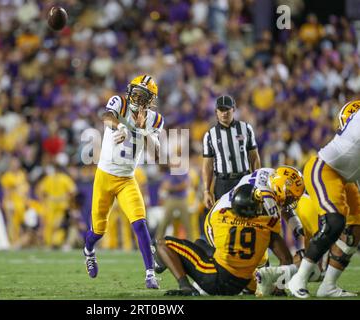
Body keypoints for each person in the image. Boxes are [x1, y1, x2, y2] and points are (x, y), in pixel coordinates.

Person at [83, 74, 163, 289]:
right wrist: (121, 128)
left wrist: (144, 132)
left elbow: (156, 155)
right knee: (98, 231)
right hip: (105, 176)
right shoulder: (120, 102)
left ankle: (149, 274)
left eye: (142, 95)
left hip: (127, 179)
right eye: (135, 91)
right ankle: (88, 250)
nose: (136, 97)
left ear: (150, 100)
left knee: (139, 222)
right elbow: (107, 116)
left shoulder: (154, 119)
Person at [154, 184, 295, 296]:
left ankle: (185, 286)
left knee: (163, 243)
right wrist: (280, 288)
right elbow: (287, 259)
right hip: (242, 282)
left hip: (215, 278)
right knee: (200, 244)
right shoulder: (268, 225)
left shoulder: (221, 216)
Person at [288, 101, 360, 298]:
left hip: (347, 179)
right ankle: (299, 278)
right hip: (324, 169)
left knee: (355, 229)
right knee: (334, 222)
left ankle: (328, 286)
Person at [202, 95, 261, 211]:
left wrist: (256, 180)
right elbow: (207, 165)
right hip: (222, 183)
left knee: (248, 217)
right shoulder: (210, 135)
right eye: (221, 110)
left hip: (244, 179)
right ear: (216, 112)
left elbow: (254, 157)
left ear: (233, 109)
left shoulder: (246, 128)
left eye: (227, 109)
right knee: (225, 219)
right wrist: (206, 191)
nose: (224, 113)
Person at [1, 157, 30, 244]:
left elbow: (26, 189)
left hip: (22, 203)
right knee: (12, 225)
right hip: (12, 203)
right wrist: (8, 202)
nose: (14, 165)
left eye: (16, 163)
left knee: (22, 224)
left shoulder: (22, 174)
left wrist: (27, 201)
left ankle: (19, 243)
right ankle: (12, 243)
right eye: (13, 163)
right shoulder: (7, 176)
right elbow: (6, 191)